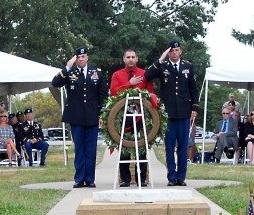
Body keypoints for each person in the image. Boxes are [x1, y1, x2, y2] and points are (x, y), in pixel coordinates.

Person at [145, 40, 199, 186]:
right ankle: (171, 177)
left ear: (180, 51)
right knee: (169, 147)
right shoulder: (163, 67)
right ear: (168, 53)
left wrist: (194, 108)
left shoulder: (188, 67)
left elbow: (193, 89)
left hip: (183, 112)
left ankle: (181, 177)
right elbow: (148, 75)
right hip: (168, 114)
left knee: (183, 146)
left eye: (176, 50)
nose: (174, 53)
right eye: (171, 51)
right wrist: (160, 59)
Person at [52, 47, 108, 187]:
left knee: (91, 149)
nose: (81, 59)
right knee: (79, 149)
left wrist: (102, 113)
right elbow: (55, 83)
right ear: (75, 59)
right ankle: (79, 179)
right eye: (78, 57)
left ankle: (89, 179)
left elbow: (103, 95)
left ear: (87, 57)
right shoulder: (70, 73)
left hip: (92, 117)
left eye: (83, 56)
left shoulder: (96, 73)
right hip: (76, 117)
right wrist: (66, 67)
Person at [110, 49, 156, 187]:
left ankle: (141, 179)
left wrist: (140, 92)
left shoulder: (144, 74)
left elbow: (150, 93)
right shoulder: (117, 75)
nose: (130, 59)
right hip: (122, 116)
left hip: (140, 115)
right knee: (124, 146)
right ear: (123, 59)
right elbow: (114, 92)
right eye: (128, 57)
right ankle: (125, 179)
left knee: (141, 147)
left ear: (137, 59)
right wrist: (130, 84)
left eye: (133, 57)